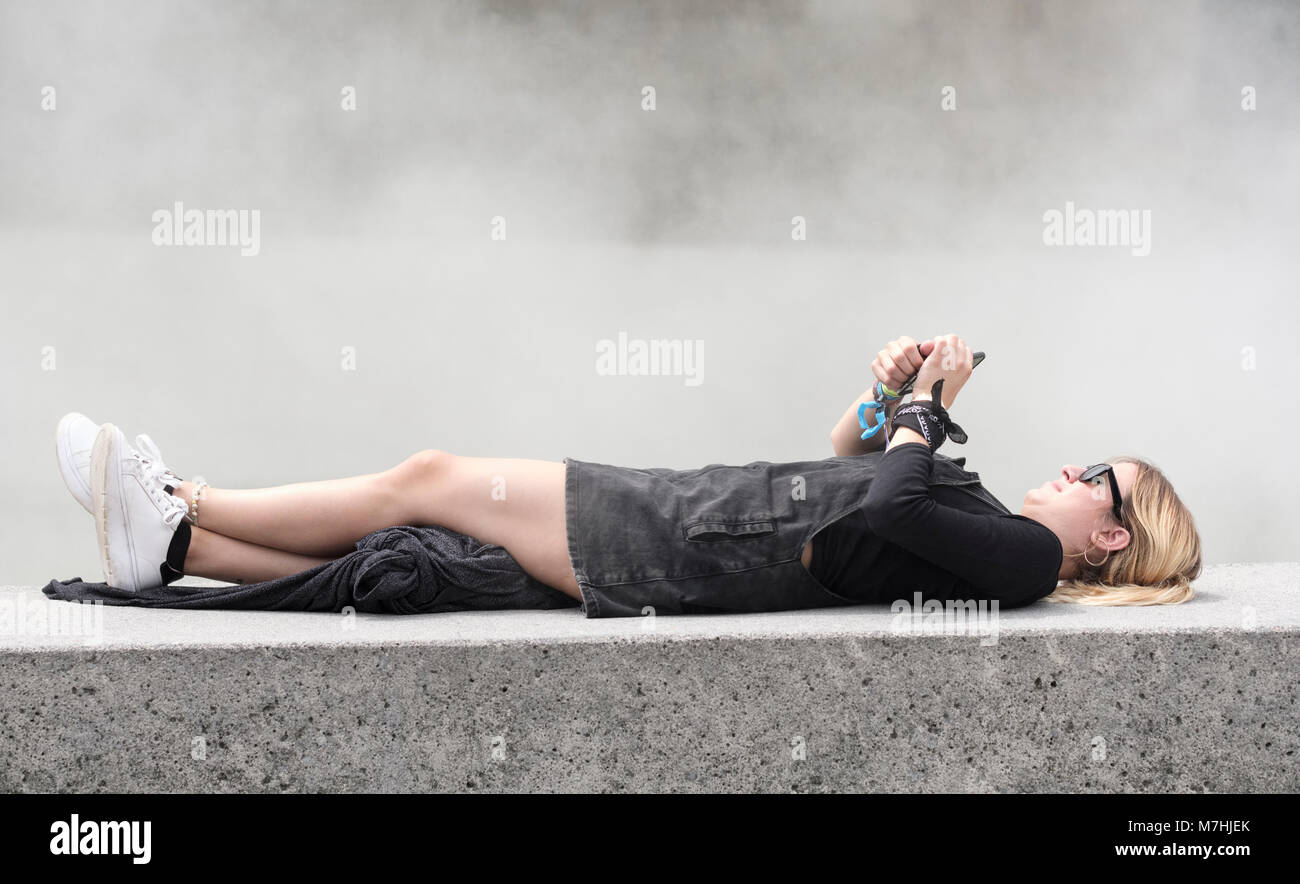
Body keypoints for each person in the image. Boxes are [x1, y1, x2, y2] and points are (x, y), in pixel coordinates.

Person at [54, 334, 1202, 615]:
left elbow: (896, 492)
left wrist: (926, 411)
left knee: (425, 477)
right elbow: (859, 473)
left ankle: (185, 501)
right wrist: (881, 395)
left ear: (1111, 534)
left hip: (683, 542)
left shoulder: (1030, 561)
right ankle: (174, 543)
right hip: (696, 516)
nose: (1067, 466)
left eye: (1094, 473)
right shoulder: (1001, 525)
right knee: (413, 514)